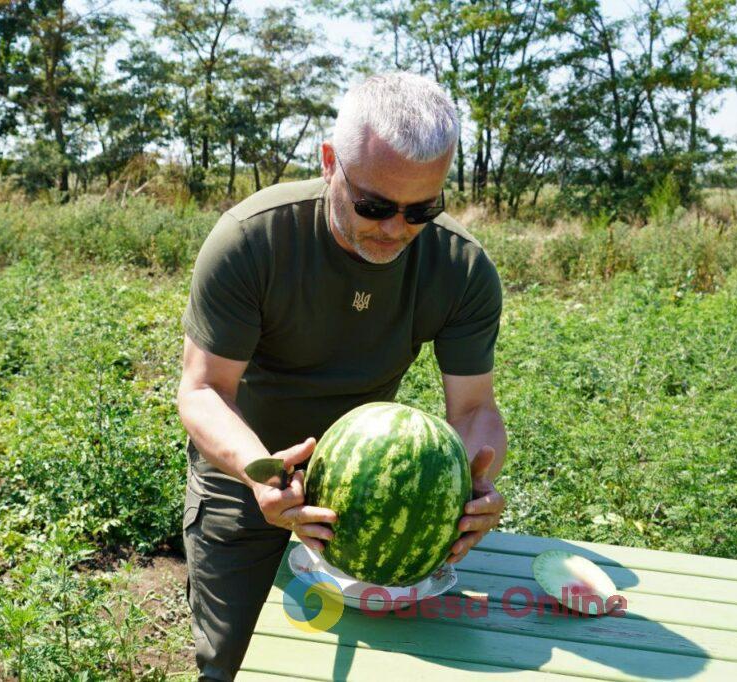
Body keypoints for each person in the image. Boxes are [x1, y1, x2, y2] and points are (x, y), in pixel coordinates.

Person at [176, 71, 508, 680]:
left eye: (422, 209)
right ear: (330, 162)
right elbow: (202, 391)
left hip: (366, 496)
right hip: (243, 471)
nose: (395, 229)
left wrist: (469, 480)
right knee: (233, 660)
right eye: (374, 205)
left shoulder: (461, 268)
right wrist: (263, 475)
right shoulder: (254, 240)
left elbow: (473, 410)